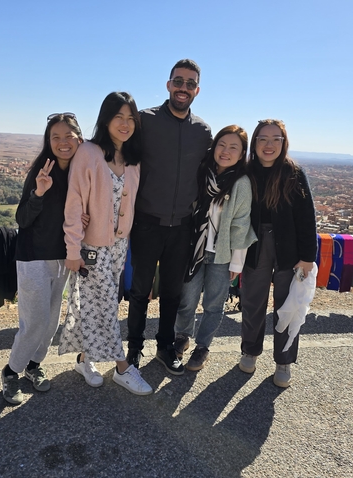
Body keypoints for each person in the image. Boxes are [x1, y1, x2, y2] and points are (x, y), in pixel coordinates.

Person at [59, 91, 153, 396]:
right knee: (104, 307)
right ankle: (123, 368)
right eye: (118, 117)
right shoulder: (88, 152)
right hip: (91, 249)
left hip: (118, 247)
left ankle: (84, 360)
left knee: (101, 304)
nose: (125, 124)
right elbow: (74, 204)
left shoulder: (133, 160)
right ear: (106, 119)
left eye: (130, 118)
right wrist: (72, 250)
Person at [126, 59, 212, 376]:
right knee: (139, 291)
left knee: (173, 293)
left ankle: (165, 348)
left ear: (197, 90)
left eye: (190, 83)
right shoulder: (145, 120)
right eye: (179, 81)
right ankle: (134, 348)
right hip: (146, 222)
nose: (183, 88)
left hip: (183, 227)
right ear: (168, 84)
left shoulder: (202, 131)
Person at [1, 113, 84, 405]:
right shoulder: (43, 170)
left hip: (62, 258)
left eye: (68, 136)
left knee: (50, 323)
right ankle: (11, 372)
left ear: (79, 138)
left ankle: (34, 366)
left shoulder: (80, 170)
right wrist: (38, 192)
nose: (62, 142)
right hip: (33, 256)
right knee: (34, 321)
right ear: (48, 141)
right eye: (55, 137)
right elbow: (22, 219)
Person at [239, 119, 317, 388]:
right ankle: (249, 350)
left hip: (290, 249)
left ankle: (284, 360)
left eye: (276, 139)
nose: (269, 145)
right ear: (254, 143)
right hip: (254, 245)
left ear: (284, 143)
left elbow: (308, 218)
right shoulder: (246, 172)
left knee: (288, 305)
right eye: (262, 139)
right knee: (252, 302)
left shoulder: (294, 173)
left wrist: (308, 257)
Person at [174, 125, 257, 371]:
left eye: (234, 147)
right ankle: (182, 337)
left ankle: (203, 346)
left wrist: (237, 262)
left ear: (242, 153)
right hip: (194, 250)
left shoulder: (241, 183)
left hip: (221, 255)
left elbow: (241, 224)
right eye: (222, 144)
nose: (226, 151)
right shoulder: (201, 173)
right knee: (187, 299)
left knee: (213, 304)